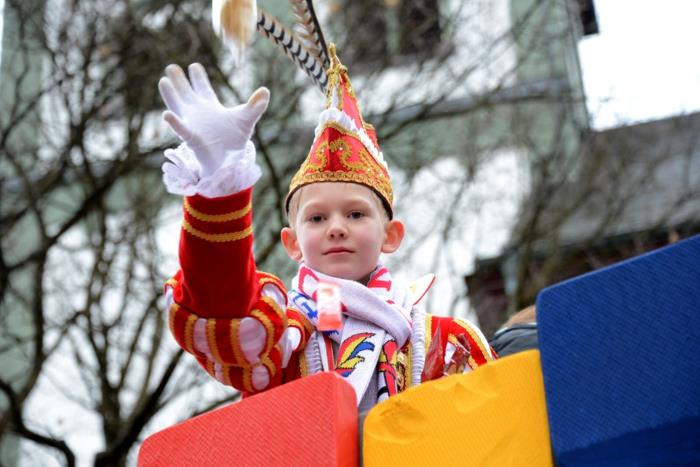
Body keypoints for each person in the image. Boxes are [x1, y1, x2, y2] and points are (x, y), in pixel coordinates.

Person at [159, 45, 497, 411]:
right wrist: (219, 186)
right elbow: (221, 308)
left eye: (355, 215)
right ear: (292, 243)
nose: (336, 228)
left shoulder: (447, 342)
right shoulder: (285, 336)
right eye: (317, 218)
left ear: (392, 235)